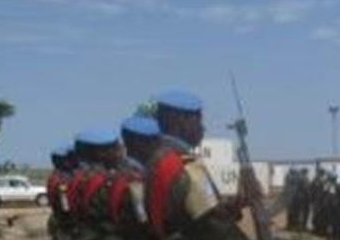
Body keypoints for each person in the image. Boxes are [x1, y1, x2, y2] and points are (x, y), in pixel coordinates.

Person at [144, 90, 249, 240]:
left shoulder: (155, 160)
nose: (202, 128)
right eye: (197, 121)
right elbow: (215, 228)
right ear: (178, 122)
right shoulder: (186, 167)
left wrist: (230, 209)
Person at [110, 116, 163, 240]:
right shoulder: (135, 180)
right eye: (154, 141)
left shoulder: (118, 173)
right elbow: (144, 223)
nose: (159, 147)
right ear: (138, 144)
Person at [72, 130, 123, 240]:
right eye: (116, 149)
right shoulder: (106, 182)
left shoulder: (78, 177)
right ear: (101, 153)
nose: (120, 153)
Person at [47, 145, 78, 240]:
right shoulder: (63, 179)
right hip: (66, 225)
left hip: (58, 220)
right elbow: (66, 206)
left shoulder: (55, 176)